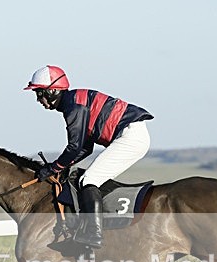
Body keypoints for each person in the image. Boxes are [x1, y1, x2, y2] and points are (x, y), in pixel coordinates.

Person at [24, 65, 153, 249]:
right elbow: (85, 148)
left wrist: (53, 168)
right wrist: (59, 166)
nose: (38, 99)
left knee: (88, 180)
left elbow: (74, 147)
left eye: (39, 93)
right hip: (132, 133)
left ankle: (94, 233)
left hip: (131, 136)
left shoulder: (73, 107)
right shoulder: (73, 102)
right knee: (87, 178)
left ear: (52, 91)